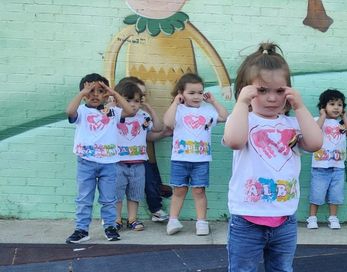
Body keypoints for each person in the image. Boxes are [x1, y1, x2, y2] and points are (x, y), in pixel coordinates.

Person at [218, 42, 323, 272]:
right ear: (248, 91)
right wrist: (241, 103)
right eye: (262, 90)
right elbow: (234, 140)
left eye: (280, 91)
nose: (273, 98)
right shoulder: (243, 121)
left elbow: (316, 143)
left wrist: (301, 107)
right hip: (247, 219)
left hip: (284, 220)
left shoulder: (293, 124)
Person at [64, 73, 135, 244]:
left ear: (106, 93)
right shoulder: (81, 111)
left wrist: (113, 92)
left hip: (108, 163)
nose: (95, 94)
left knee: (108, 198)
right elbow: (69, 111)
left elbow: (130, 111)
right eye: (90, 91)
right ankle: (81, 229)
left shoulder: (112, 112)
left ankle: (110, 227)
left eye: (100, 91)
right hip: (85, 162)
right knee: (84, 198)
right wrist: (82, 93)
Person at [163, 73, 229, 236]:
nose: (197, 96)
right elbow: (168, 123)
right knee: (179, 190)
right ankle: (173, 220)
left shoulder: (207, 111)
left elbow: (224, 117)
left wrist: (213, 101)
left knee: (199, 191)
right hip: (180, 159)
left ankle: (201, 222)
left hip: (201, 160)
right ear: (181, 93)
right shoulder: (178, 110)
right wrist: (175, 103)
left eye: (200, 92)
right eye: (191, 93)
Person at [118, 76, 172, 223]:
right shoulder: (115, 114)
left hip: (139, 158)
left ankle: (151, 210)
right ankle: (113, 218)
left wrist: (162, 133)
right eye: (131, 98)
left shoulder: (143, 116)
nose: (137, 102)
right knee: (117, 190)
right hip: (119, 160)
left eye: (140, 97)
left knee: (147, 183)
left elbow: (148, 134)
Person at [306, 89, 347, 229]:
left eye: (339, 105)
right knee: (317, 192)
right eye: (332, 104)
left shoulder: (341, 124)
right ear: (323, 106)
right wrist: (322, 116)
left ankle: (333, 218)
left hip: (338, 167)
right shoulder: (317, 120)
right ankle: (312, 217)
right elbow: (313, 132)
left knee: (336, 194)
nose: (336, 107)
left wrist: (345, 117)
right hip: (320, 166)